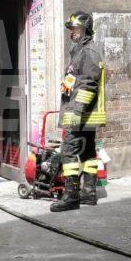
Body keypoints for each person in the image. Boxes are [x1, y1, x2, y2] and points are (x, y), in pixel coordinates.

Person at [50, 11, 107, 212]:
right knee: (88, 152)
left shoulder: (88, 52)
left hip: (80, 114)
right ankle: (89, 192)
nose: (72, 32)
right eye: (71, 29)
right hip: (85, 115)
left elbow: (88, 85)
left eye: (75, 28)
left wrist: (76, 111)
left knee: (68, 152)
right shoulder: (80, 50)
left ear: (85, 29)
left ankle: (71, 195)